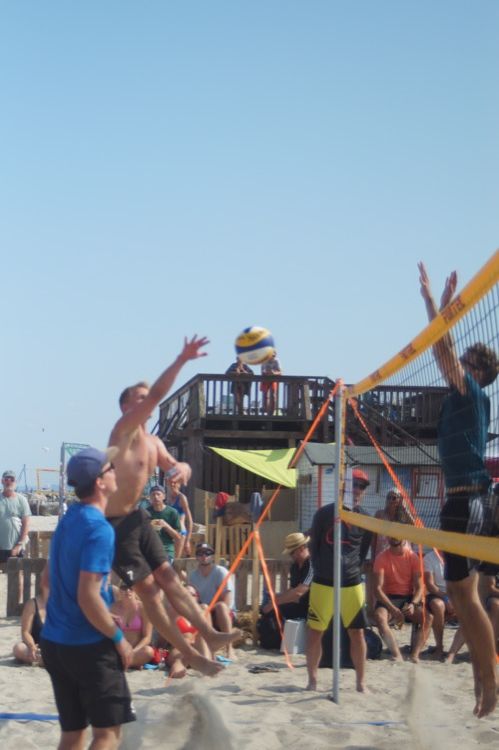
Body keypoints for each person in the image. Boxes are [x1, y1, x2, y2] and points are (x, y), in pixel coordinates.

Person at [107, 335, 237, 677]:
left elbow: (175, 466)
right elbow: (157, 395)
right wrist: (181, 360)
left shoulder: (153, 442)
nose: (147, 400)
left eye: (145, 397)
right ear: (125, 407)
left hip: (137, 517)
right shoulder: (122, 431)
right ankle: (189, 654)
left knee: (169, 578)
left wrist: (184, 468)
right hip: (115, 523)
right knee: (150, 593)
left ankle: (209, 634)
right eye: (139, 398)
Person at [419, 262, 499, 717]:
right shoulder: (460, 397)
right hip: (466, 498)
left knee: (467, 598)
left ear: (476, 370)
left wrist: (437, 306)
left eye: (465, 360)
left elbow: (442, 349)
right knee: (467, 598)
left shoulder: (470, 393)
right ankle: (481, 680)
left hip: (469, 499)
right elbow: (443, 348)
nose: (457, 363)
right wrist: (440, 308)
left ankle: (490, 680)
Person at [40, 447, 135, 750]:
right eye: (111, 468)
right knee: (108, 735)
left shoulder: (68, 519)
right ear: (99, 482)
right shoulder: (98, 528)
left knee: (73, 734)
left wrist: (96, 613)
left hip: (55, 642)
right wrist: (118, 637)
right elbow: (87, 596)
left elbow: (47, 581)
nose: (116, 471)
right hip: (88, 647)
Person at [306, 499, 372, 693]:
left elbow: (363, 548)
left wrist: (352, 568)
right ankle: (312, 681)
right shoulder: (324, 513)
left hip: (351, 581)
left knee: (357, 632)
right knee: (315, 631)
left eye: (361, 487)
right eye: (355, 486)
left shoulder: (364, 517)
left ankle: (361, 683)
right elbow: (314, 545)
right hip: (324, 580)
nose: (357, 490)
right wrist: (322, 568)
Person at [373, 537, 431, 663]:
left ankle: (415, 654)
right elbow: (377, 589)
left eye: (397, 535)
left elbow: (420, 587)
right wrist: (392, 609)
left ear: (404, 538)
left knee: (428, 618)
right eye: (391, 535)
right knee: (380, 617)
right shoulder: (381, 558)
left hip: (407, 598)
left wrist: (413, 604)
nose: (394, 538)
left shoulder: (412, 557)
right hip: (388, 598)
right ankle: (396, 654)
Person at [258, 532, 313, 650]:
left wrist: (274, 603)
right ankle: (273, 641)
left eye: (292, 552)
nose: (290, 555)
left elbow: (300, 591)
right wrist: (275, 601)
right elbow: (292, 590)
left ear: (301, 548)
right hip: (301, 605)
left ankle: (275, 641)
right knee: (271, 611)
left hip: (313, 607)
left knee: (274, 608)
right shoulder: (295, 566)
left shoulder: (311, 564)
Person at [188, 543, 237, 660]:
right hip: (204, 612)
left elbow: (227, 601)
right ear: (196, 557)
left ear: (213, 556)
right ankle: (208, 649)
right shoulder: (193, 576)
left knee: (220, 606)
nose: (204, 556)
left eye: (207, 553)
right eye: (200, 553)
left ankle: (229, 648)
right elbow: (193, 599)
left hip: (222, 613)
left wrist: (207, 608)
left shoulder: (221, 572)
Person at [110, 583, 155, 669]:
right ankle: (129, 663)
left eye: (131, 588)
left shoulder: (143, 608)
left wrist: (132, 652)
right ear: (119, 590)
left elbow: (147, 637)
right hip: (119, 649)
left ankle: (122, 663)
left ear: (136, 590)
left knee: (148, 652)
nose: (128, 591)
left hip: (136, 650)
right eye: (124, 588)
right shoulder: (113, 608)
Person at [424, 548, 456, 660]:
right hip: (437, 593)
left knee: (470, 607)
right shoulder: (429, 557)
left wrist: (454, 599)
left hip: (455, 593)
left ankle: (454, 651)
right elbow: (430, 585)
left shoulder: (457, 556)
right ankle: (439, 647)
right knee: (438, 605)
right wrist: (446, 598)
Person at [13, 584, 48, 665]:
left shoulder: (62, 604)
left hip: (54, 647)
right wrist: (32, 646)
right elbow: (25, 632)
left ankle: (44, 661)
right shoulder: (32, 604)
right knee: (18, 648)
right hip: (35, 646)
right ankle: (44, 660)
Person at [0, 469, 31, 562]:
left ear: (16, 482)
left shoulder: (22, 500)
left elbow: (26, 524)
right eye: (6, 479)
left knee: (17, 570)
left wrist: (19, 544)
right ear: (2, 481)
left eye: (12, 479)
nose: (9, 481)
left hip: (16, 547)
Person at [147, 484, 181, 563]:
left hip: (166, 551)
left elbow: (178, 537)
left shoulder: (172, 512)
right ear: (150, 498)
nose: (156, 497)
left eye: (158, 494)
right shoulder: (146, 513)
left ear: (164, 496)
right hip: (150, 550)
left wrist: (166, 526)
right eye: (153, 495)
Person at [166, 476, 193, 558]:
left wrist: (188, 541)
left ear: (179, 484)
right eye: (171, 482)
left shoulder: (181, 498)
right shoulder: (167, 498)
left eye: (175, 482)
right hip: (169, 532)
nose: (172, 484)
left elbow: (190, 520)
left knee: (175, 561)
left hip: (180, 532)